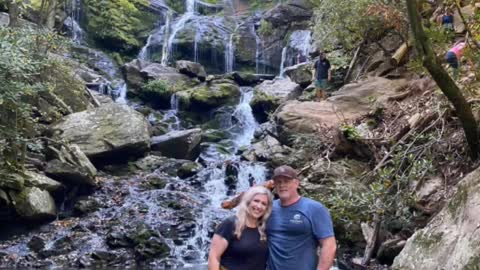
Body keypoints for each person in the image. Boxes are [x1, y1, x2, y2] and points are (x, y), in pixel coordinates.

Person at [266, 165, 336, 270]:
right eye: (278, 182)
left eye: (286, 181)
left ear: (296, 183)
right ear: (274, 185)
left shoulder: (315, 208)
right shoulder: (268, 208)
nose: (282, 185)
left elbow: (329, 245)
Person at [208, 186, 274, 270]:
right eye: (256, 201)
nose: (259, 206)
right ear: (248, 202)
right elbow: (213, 257)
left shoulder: (264, 228)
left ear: (267, 209)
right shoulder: (230, 224)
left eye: (264, 204)